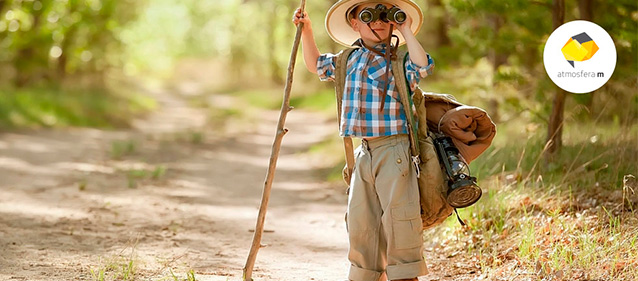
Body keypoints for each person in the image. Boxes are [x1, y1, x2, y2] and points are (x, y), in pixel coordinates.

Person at [293, 1, 434, 280]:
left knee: (399, 218)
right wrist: (306, 30)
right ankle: (365, 274)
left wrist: (406, 30)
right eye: (367, 16)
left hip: (395, 149)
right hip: (364, 152)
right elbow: (315, 64)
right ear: (354, 23)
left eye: (385, 15)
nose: (377, 21)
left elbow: (423, 67)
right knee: (360, 220)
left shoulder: (399, 61)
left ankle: (405, 274)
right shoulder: (347, 60)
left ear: (392, 21)